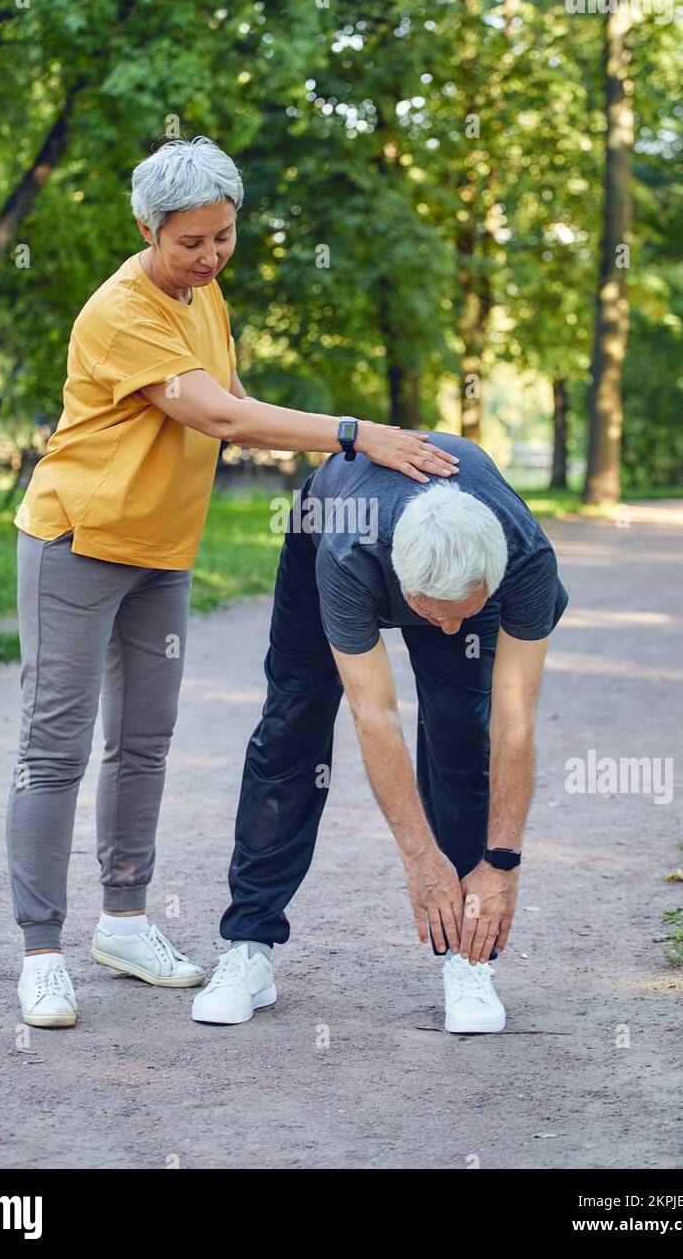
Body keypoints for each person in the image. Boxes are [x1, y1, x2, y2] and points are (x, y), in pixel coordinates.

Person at [7, 136, 460, 1028]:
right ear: (146, 228)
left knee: (144, 742)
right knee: (52, 748)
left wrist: (327, 483)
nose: (210, 256)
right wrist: (355, 432)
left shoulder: (205, 296)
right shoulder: (119, 310)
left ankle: (126, 923)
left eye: (223, 237)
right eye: (191, 243)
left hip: (161, 552)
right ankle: (40, 953)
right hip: (77, 539)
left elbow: (238, 401)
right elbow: (211, 413)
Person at [191, 434, 568, 1033]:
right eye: (431, 612)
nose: (448, 629)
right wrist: (421, 858)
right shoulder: (349, 554)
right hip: (332, 520)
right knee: (294, 721)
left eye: (464, 611)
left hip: (454, 560)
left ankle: (467, 956)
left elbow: (514, 720)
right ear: (398, 581)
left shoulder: (524, 560)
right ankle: (248, 946)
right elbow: (376, 716)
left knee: (462, 734)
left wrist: (502, 862)